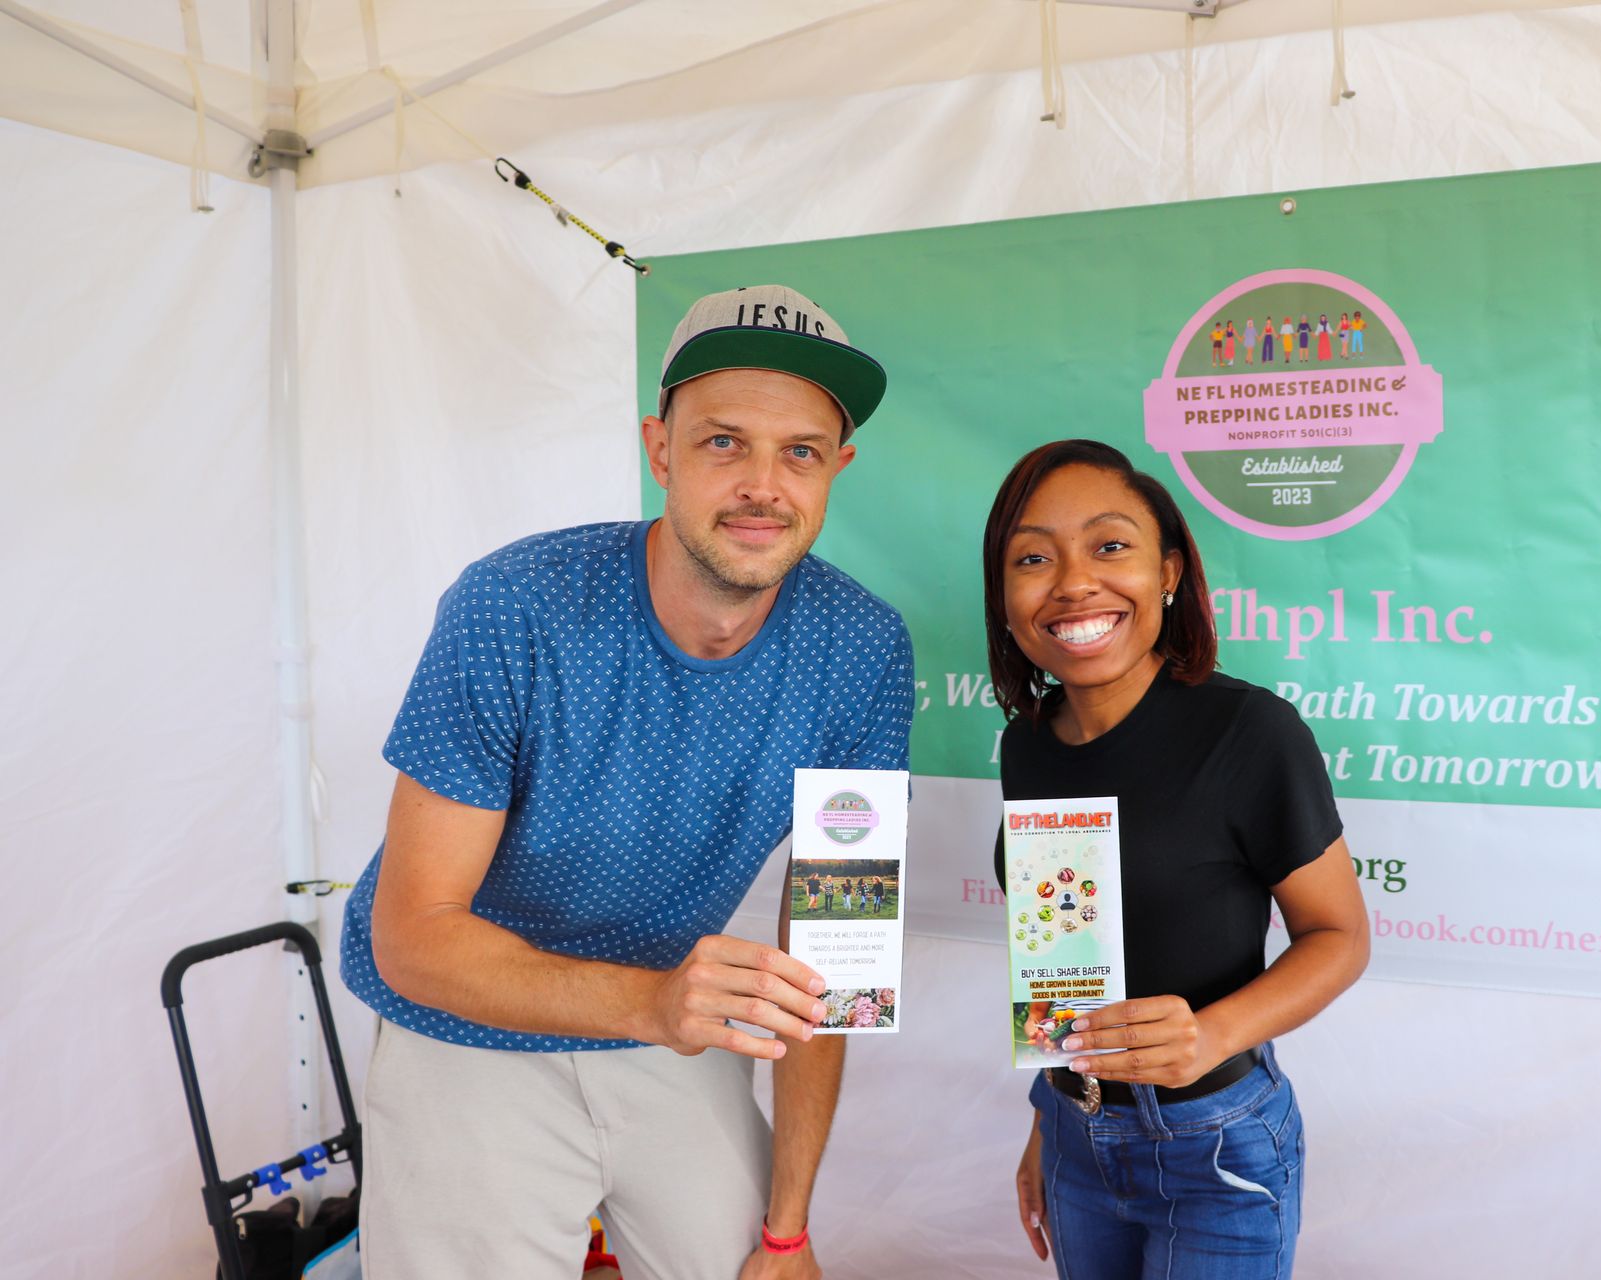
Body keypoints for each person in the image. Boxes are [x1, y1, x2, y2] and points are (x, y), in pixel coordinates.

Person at [341, 283, 914, 1280]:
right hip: (466, 1018)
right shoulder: (513, 603)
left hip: (667, 1016)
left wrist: (789, 1229)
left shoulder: (864, 647)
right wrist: (654, 1004)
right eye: (723, 441)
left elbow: (839, 957)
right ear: (661, 448)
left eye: (800, 452)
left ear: (838, 469)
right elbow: (413, 935)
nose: (761, 485)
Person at [983, 439, 1369, 1279]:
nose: (1074, 581)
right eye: (1034, 558)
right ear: (1006, 597)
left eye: (1109, 545)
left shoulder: (1250, 733)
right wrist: (1052, 1117)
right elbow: (1065, 949)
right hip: (1076, 1142)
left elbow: (1340, 936)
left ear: (1168, 571)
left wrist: (1211, 1033)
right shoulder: (1027, 747)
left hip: (1217, 1149)